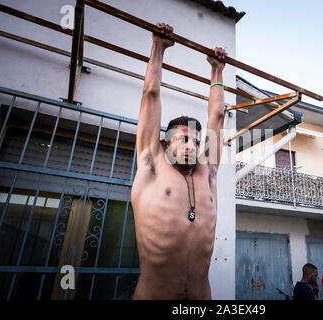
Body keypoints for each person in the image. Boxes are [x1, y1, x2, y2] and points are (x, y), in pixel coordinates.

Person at [131, 22, 228, 299]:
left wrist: (216, 70)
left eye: (197, 141)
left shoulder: (208, 172)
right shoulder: (151, 163)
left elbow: (218, 116)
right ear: (165, 142)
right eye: (182, 138)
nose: (191, 146)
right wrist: (159, 47)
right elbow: (150, 95)